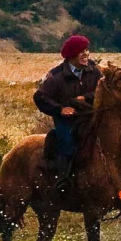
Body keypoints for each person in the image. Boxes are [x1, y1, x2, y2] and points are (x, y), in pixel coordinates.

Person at [34, 34, 100, 187]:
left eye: (87, 50)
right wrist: (60, 109)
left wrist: (86, 98)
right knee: (68, 144)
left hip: (91, 117)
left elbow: (103, 90)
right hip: (67, 121)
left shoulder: (94, 70)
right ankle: (63, 180)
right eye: (81, 51)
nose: (86, 54)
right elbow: (40, 97)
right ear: (71, 55)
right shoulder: (56, 76)